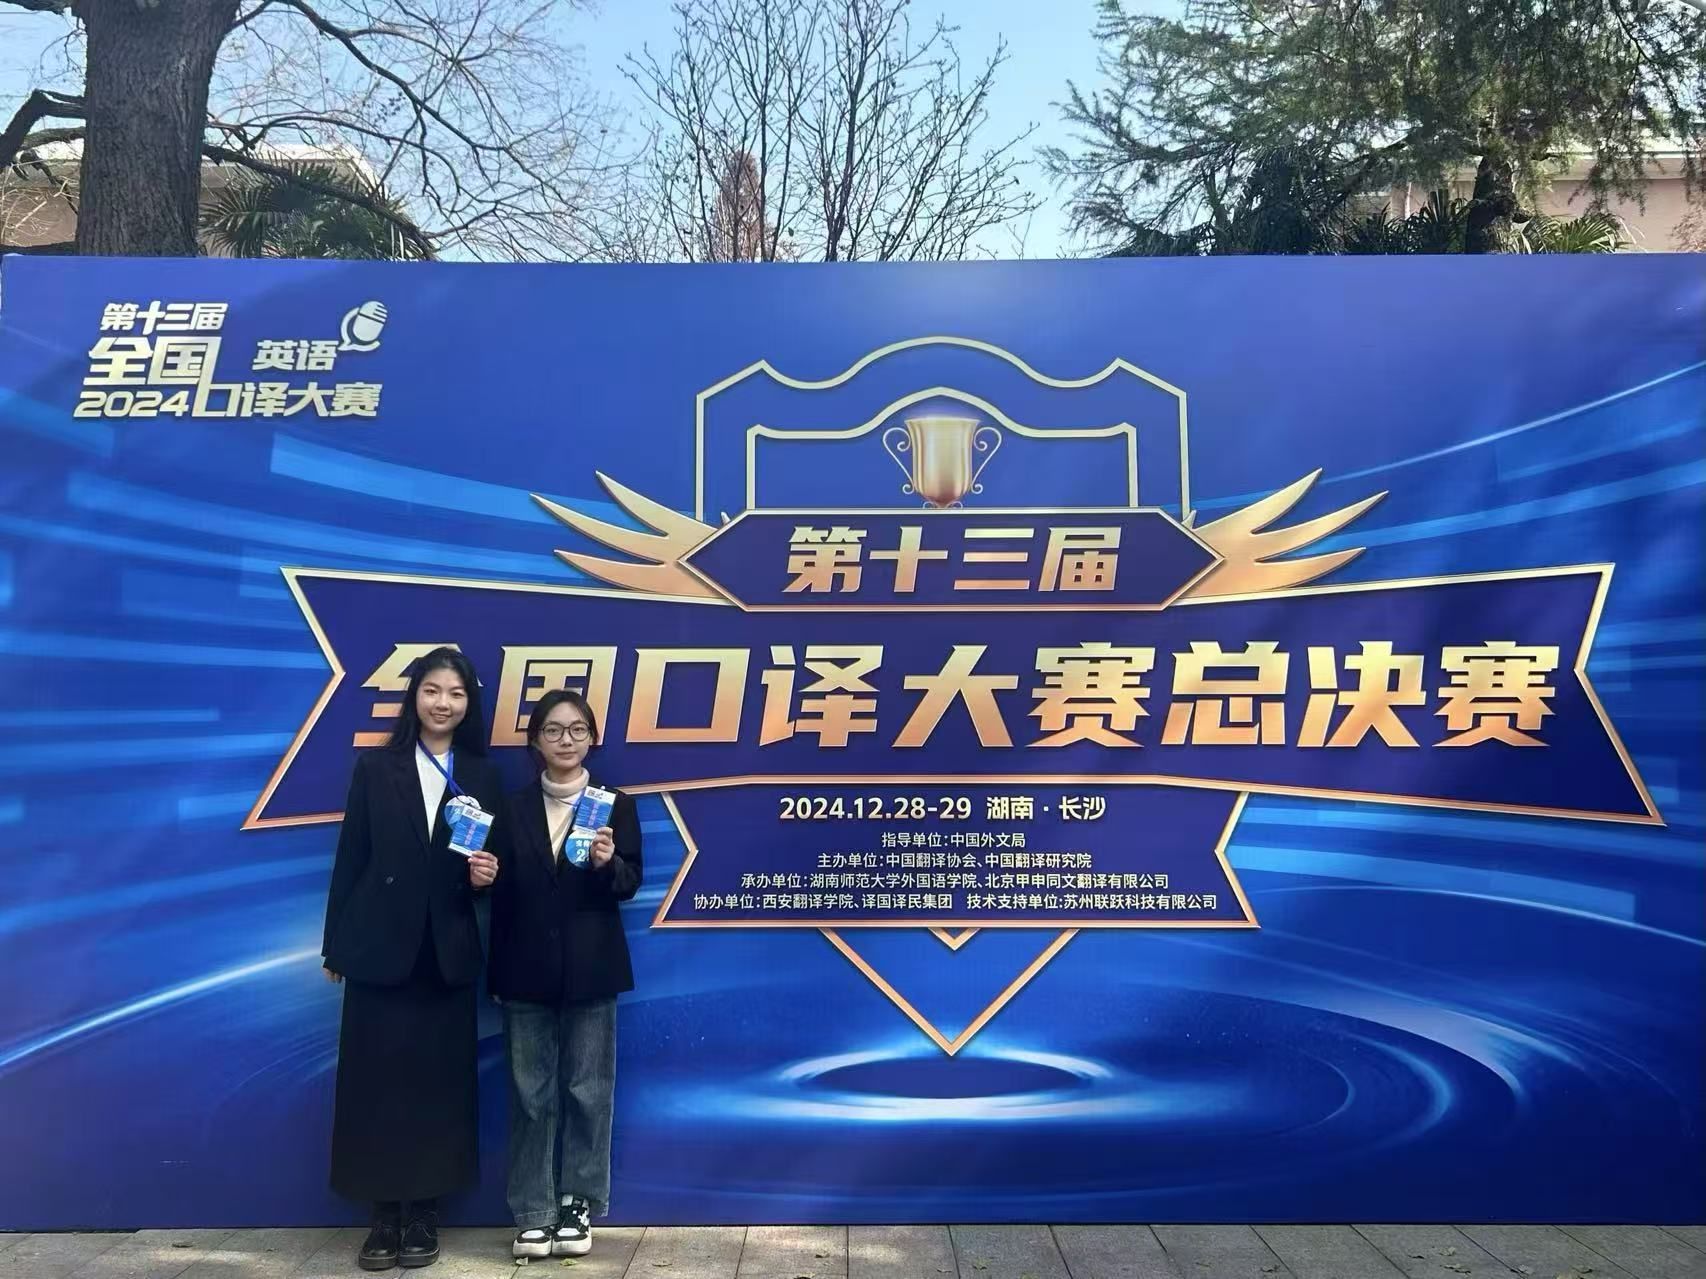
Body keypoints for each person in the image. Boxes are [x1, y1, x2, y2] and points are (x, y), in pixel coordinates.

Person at [321, 647, 504, 1271]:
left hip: (445, 952)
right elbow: (352, 857)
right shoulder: (377, 767)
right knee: (375, 1082)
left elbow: (490, 868)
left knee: (438, 1085)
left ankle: (424, 1212)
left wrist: (485, 877)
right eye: (432, 690)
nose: (443, 703)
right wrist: (336, 945)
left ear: (468, 703)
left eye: (455, 693)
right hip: (377, 947)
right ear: (414, 697)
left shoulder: (482, 774)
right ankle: (383, 1216)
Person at [489, 689, 642, 1260]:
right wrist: (480, 881)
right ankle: (533, 1211)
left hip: (592, 969)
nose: (566, 740)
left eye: (577, 730)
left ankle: (579, 1203)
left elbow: (630, 882)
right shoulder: (511, 808)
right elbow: (499, 894)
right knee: (530, 1095)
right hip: (524, 968)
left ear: (592, 738)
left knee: (588, 1092)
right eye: (553, 730)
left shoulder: (615, 805)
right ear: (535, 741)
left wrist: (607, 864)